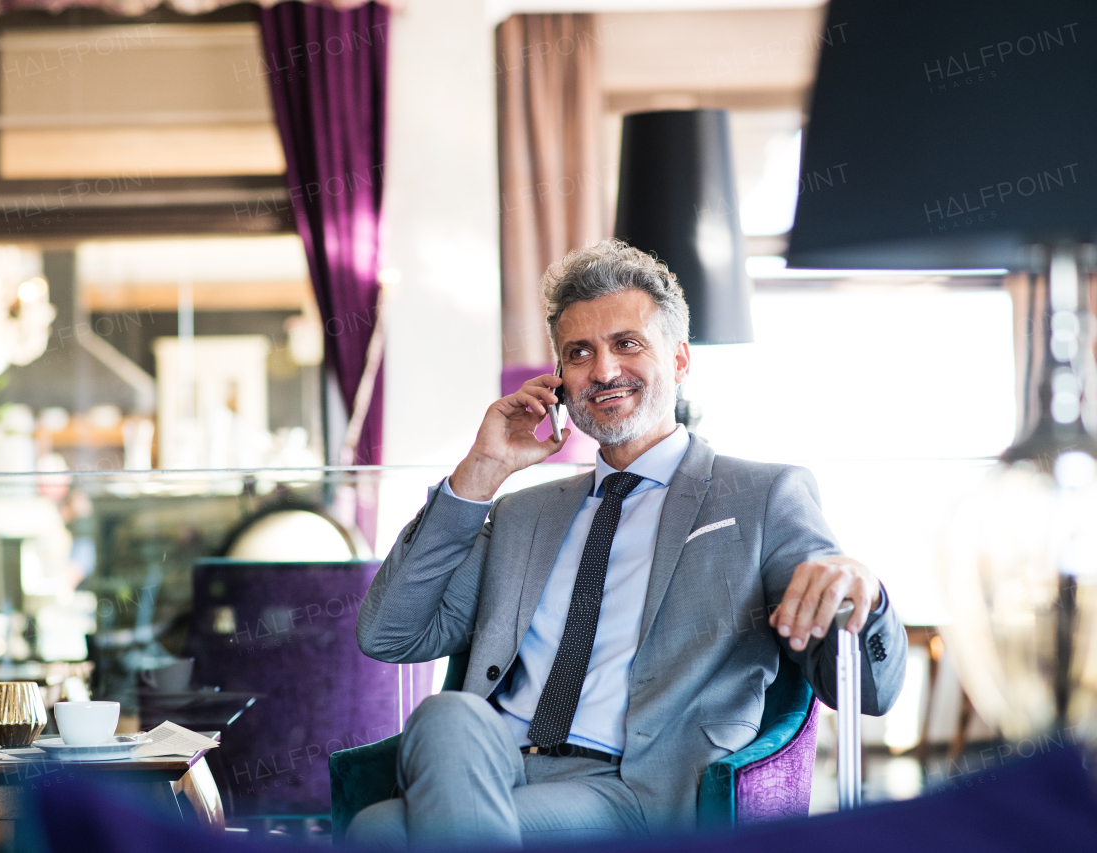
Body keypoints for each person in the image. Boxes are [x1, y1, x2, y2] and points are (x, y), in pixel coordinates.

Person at [350, 240, 906, 847]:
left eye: (627, 343)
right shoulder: (522, 512)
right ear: (560, 380)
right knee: (446, 714)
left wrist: (865, 599)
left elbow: (867, 688)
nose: (604, 370)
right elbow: (390, 632)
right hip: (492, 763)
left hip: (636, 787)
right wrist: (480, 471)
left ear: (681, 357)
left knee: (380, 829)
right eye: (579, 353)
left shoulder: (761, 496)